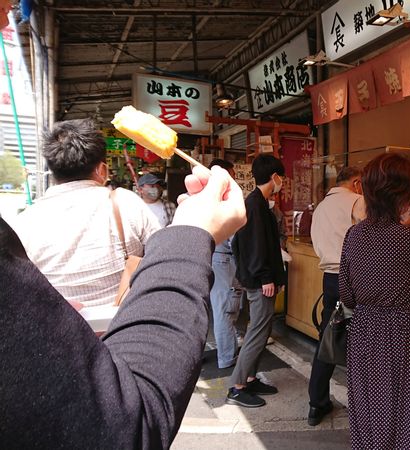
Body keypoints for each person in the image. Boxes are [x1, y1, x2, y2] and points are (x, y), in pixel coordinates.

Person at [0, 165, 246, 448]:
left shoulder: (27, 218)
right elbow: (127, 424)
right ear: (101, 168)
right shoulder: (124, 202)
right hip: (128, 321)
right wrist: (193, 232)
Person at [340, 153, 410, 449]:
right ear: (403, 194)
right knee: (403, 401)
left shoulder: (354, 235)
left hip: (363, 327)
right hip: (402, 327)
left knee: (367, 402)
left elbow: (347, 294)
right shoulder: (406, 238)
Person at [10, 119, 160, 308]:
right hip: (124, 327)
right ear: (102, 170)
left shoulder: (24, 222)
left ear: (52, 170)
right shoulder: (126, 202)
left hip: (58, 331)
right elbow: (162, 256)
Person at [307, 166, 365, 426]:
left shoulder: (320, 207)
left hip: (329, 279)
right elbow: (371, 237)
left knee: (328, 340)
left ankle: (316, 403)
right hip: (354, 277)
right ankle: (365, 406)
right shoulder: (357, 201)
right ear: (356, 182)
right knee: (363, 341)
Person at [228, 154, 286, 408]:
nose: (282, 182)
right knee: (257, 332)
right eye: (281, 177)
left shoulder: (259, 203)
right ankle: (237, 386)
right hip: (259, 280)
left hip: (260, 278)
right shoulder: (254, 205)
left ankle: (250, 377)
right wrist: (265, 277)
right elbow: (255, 247)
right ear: (274, 177)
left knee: (261, 331)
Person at [207, 159, 240, 369]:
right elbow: (234, 239)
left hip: (216, 257)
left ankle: (228, 352)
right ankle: (227, 357)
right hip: (224, 258)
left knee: (224, 307)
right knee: (225, 309)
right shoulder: (221, 200)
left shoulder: (206, 197)